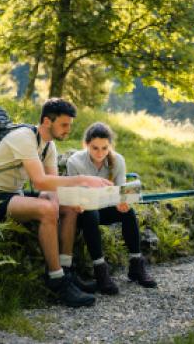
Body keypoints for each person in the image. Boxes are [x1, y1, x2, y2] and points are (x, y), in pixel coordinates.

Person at [0, 98, 112, 308]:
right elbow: (39, 181)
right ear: (47, 121)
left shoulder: (49, 146)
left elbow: (51, 186)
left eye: (70, 125)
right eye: (64, 125)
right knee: (46, 210)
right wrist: (83, 179)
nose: (68, 130)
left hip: (12, 195)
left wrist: (63, 201)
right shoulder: (23, 137)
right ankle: (56, 280)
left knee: (69, 207)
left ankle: (66, 270)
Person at [66, 122, 157, 295]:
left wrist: (123, 202)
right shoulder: (75, 162)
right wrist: (77, 203)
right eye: (95, 148)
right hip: (85, 211)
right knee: (91, 214)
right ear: (86, 145)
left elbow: (121, 191)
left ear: (110, 146)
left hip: (106, 207)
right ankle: (100, 270)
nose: (100, 153)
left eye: (104, 148)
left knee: (128, 213)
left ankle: (136, 265)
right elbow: (75, 194)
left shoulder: (118, 161)